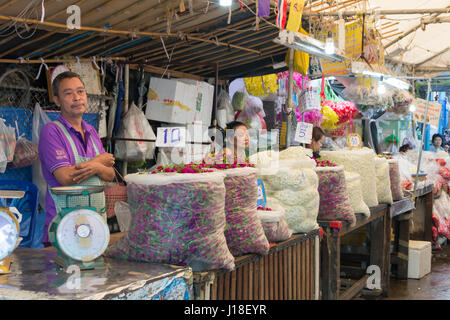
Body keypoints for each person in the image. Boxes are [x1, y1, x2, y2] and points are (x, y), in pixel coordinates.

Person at [38, 71, 115, 247]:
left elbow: (110, 174)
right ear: (57, 100)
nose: (76, 97)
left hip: (95, 228)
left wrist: (96, 167)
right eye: (68, 93)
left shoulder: (92, 131)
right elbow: (65, 177)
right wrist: (98, 163)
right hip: (62, 228)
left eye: (80, 91)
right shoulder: (52, 131)